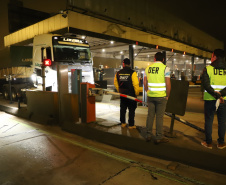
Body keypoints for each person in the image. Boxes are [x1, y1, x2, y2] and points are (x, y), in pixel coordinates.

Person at [201, 49, 226, 149]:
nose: (211, 58)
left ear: (215, 57)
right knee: (222, 121)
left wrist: (215, 95)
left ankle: (209, 142)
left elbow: (206, 85)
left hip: (210, 99)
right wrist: (221, 95)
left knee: (209, 120)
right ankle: (221, 143)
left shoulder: (207, 69)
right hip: (223, 100)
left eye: (212, 56)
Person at [144, 52, 171, 144]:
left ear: (154, 59)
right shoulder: (165, 68)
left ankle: (148, 135)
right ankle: (159, 137)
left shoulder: (148, 68)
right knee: (159, 117)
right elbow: (168, 84)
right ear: (163, 59)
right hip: (161, 97)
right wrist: (167, 95)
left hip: (151, 96)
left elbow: (144, 82)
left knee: (150, 115)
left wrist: (147, 91)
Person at [114, 58, 139, 129]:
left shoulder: (118, 73)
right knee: (131, 109)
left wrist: (120, 90)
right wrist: (136, 93)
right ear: (130, 64)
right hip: (131, 94)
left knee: (123, 108)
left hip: (122, 94)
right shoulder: (133, 72)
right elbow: (136, 84)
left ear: (123, 64)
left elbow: (115, 83)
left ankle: (123, 123)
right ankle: (131, 125)